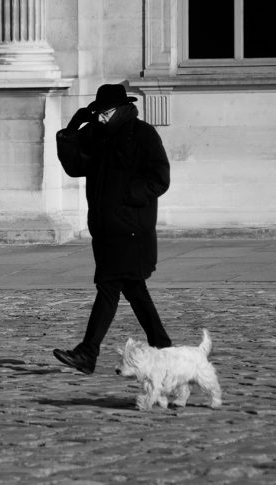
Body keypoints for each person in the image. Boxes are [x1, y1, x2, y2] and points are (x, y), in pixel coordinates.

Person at [53, 84, 172, 375]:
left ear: (120, 109)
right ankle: (164, 348)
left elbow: (160, 178)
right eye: (98, 113)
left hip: (131, 228)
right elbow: (73, 166)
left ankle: (88, 352)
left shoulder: (143, 134)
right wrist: (71, 128)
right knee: (133, 288)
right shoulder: (95, 134)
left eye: (105, 112)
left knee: (109, 287)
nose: (102, 118)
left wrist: (128, 196)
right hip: (105, 228)